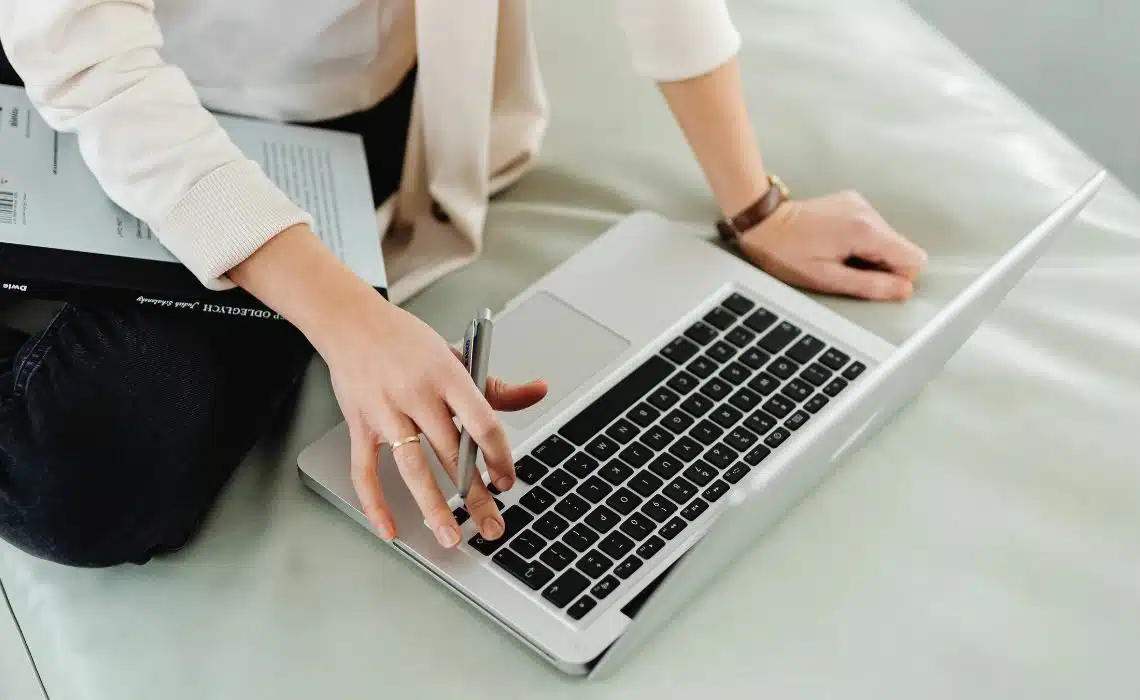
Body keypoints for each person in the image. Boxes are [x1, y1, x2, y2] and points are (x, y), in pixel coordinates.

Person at [0, 0, 927, 568]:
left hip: (311, 137)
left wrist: (758, 208)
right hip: (76, 68)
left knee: (94, 476)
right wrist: (349, 321)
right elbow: (90, 62)